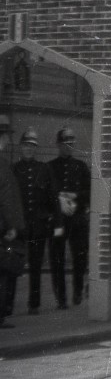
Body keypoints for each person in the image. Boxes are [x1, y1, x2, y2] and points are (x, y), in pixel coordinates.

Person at [11, 128, 62, 314]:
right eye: (25, 146)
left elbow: (53, 198)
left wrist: (58, 224)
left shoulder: (44, 169)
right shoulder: (14, 170)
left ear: (36, 149)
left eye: (32, 146)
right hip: (19, 226)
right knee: (13, 264)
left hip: (38, 226)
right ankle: (7, 306)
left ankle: (34, 304)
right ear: (20, 148)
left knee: (36, 265)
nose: (28, 150)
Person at [47, 127, 90, 308]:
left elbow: (90, 191)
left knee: (80, 259)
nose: (69, 145)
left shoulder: (80, 166)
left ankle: (77, 293)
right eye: (65, 141)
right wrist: (59, 200)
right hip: (58, 220)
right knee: (57, 259)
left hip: (77, 220)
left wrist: (75, 197)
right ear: (58, 144)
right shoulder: (49, 167)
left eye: (71, 142)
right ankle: (61, 298)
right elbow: (45, 192)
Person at [0, 125, 25, 328]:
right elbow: (7, 200)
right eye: (6, 137)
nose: (7, 141)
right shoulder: (2, 165)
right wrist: (12, 226)